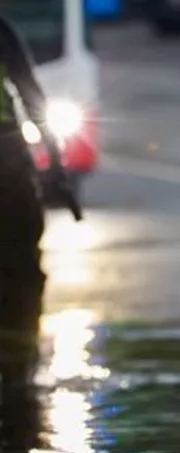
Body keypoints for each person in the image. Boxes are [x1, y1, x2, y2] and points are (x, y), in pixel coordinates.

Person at [0, 13, 73, 382]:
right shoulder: (2, 28)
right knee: (21, 270)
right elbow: (32, 95)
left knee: (21, 267)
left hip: (9, 165)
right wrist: (56, 169)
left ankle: (20, 366)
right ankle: (20, 370)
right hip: (9, 164)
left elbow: (31, 97)